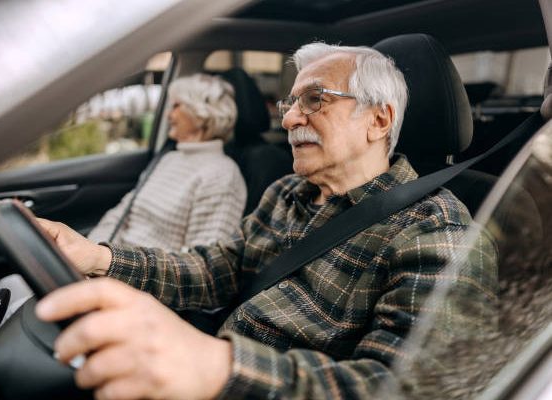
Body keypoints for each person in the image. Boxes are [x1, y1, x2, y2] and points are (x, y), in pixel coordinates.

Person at [35, 43, 498, 400]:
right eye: (291, 103)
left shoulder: (438, 232)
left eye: (315, 100)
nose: (292, 117)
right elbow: (221, 269)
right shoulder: (288, 193)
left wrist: (218, 367)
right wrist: (99, 257)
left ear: (378, 120)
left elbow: (407, 388)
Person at [87, 73, 247, 251]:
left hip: (143, 274)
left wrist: (109, 265)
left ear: (202, 113)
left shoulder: (222, 176)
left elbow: (200, 265)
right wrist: (93, 251)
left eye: (176, 105)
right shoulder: (169, 158)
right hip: (108, 260)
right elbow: (120, 214)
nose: (168, 114)